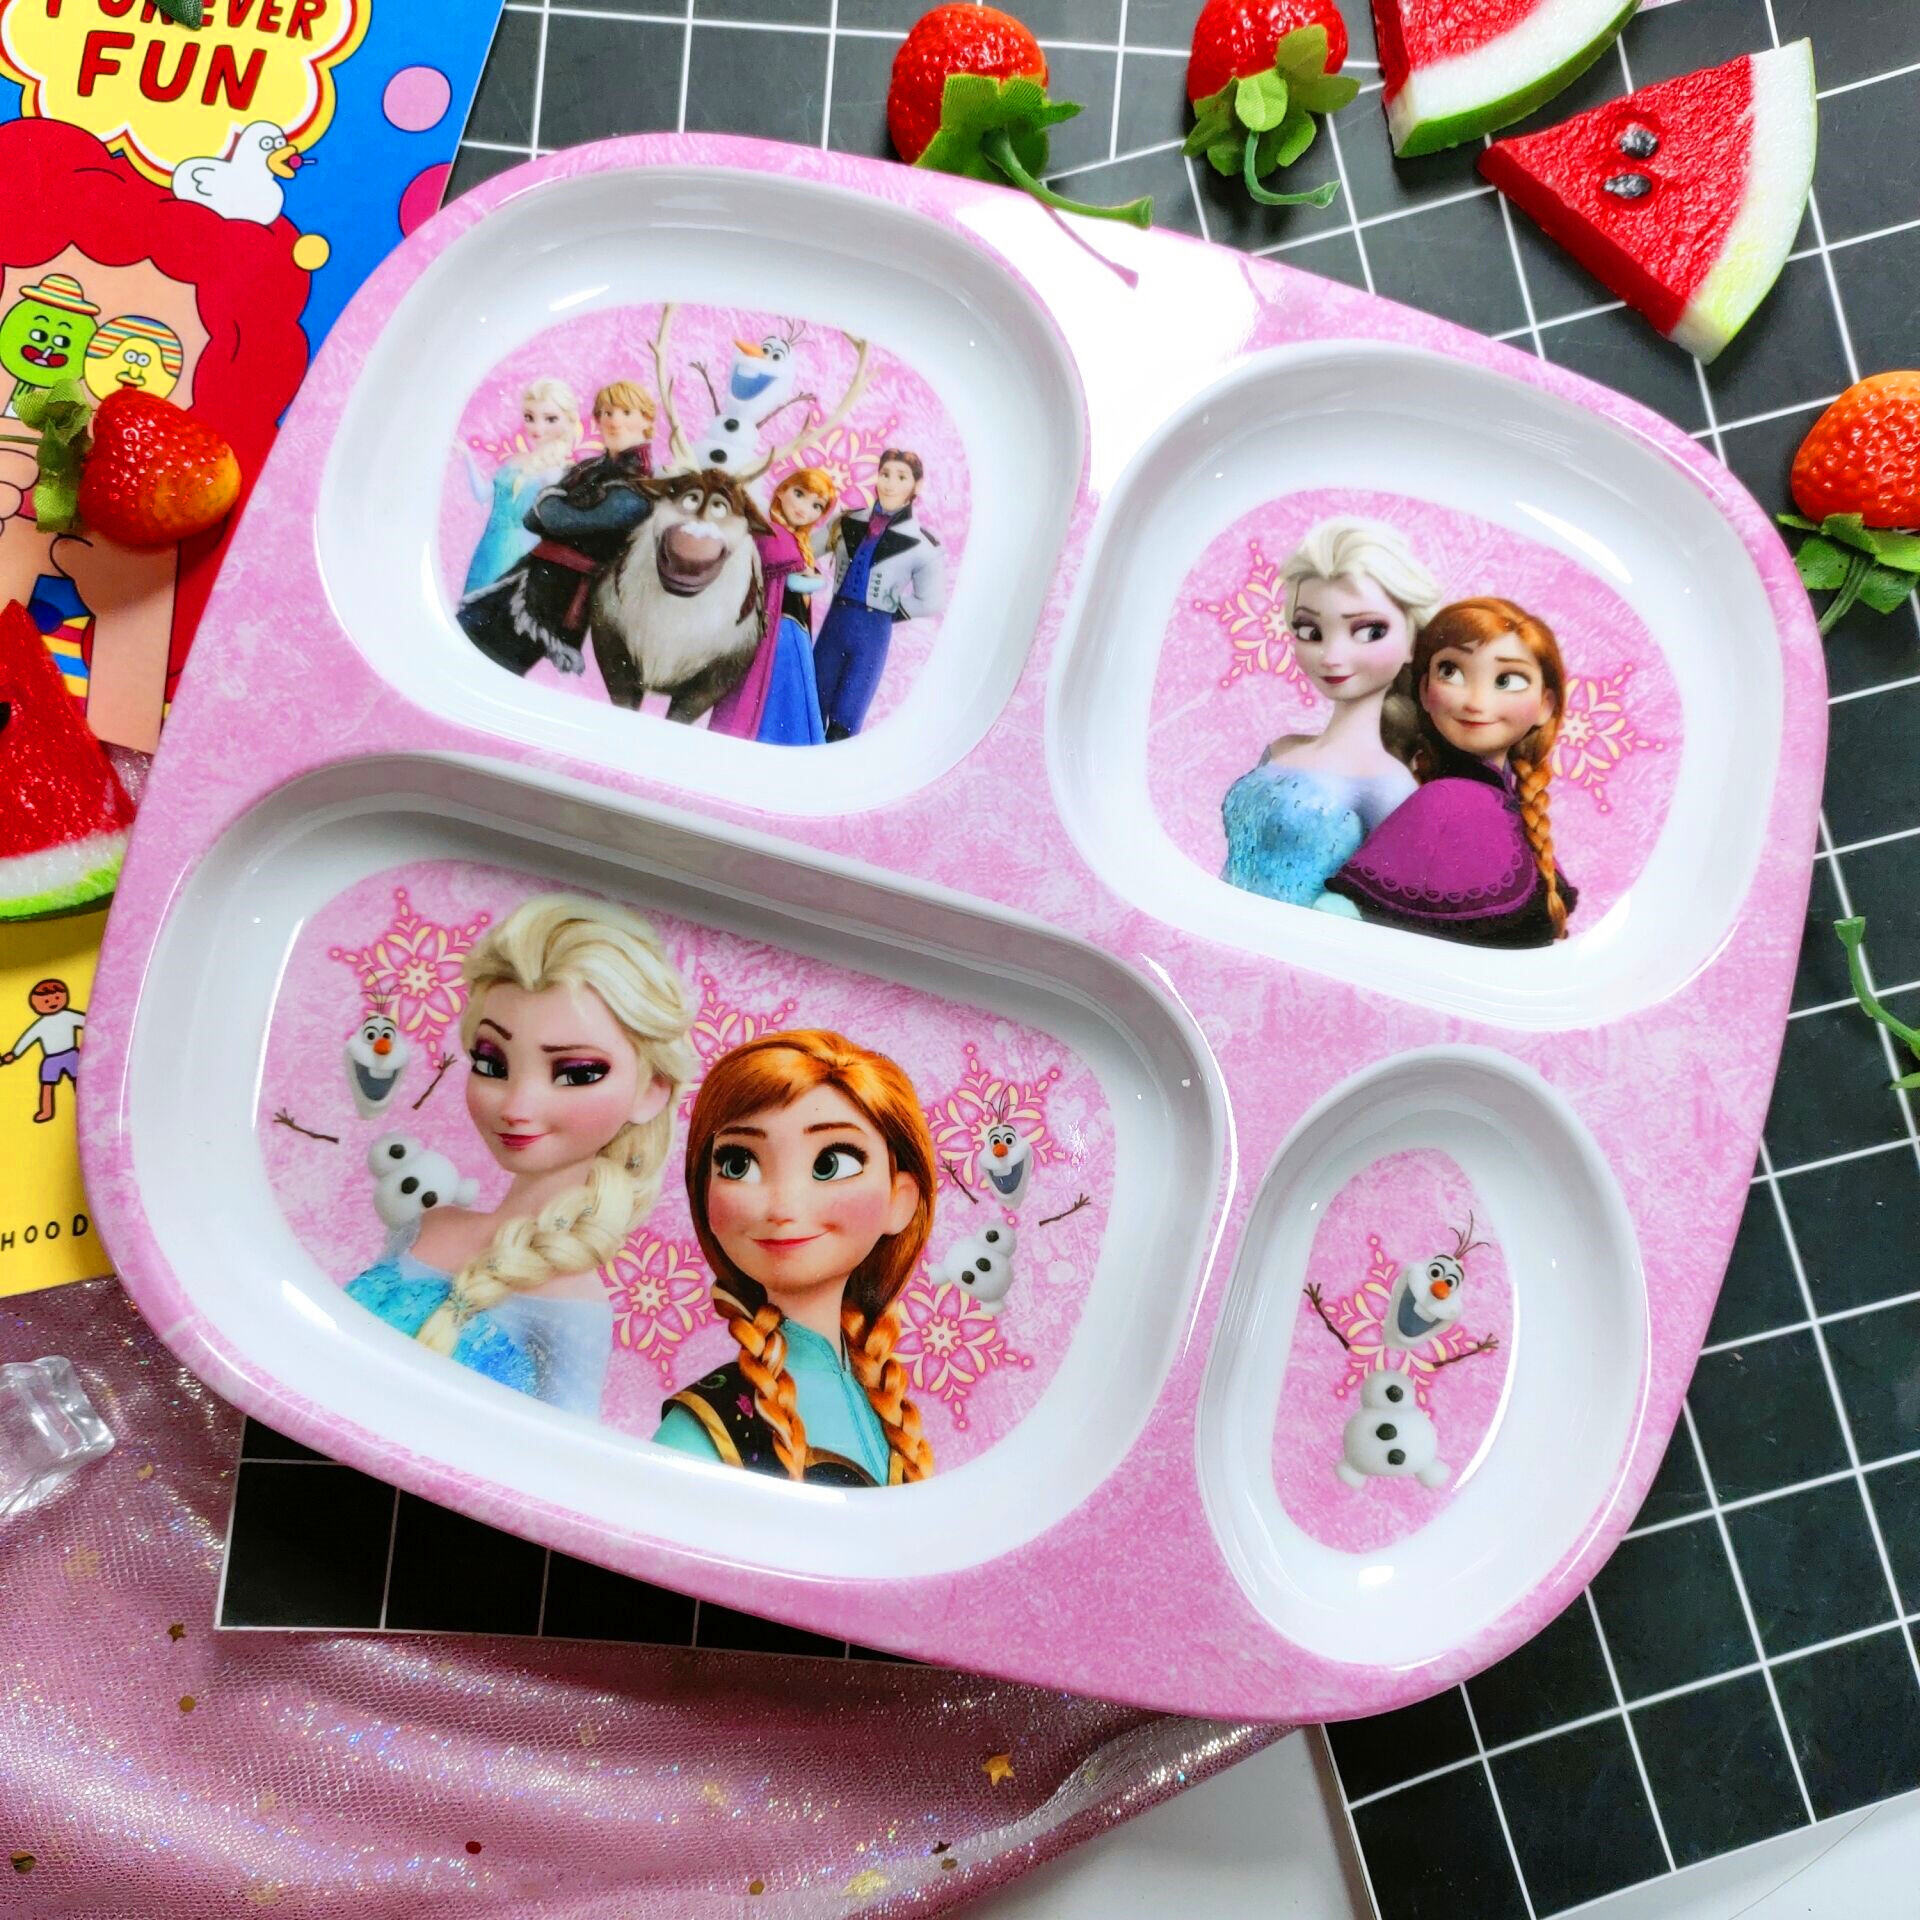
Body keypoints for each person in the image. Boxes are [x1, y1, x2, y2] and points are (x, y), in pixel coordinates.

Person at [344, 894, 697, 1415]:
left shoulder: (574, 1308)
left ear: (651, 1091)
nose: (516, 1107)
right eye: (493, 1064)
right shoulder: (424, 1226)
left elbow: (560, 1455)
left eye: (576, 1073)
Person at [655, 1030, 937, 1485]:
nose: (782, 1208)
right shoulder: (705, 1426)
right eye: (738, 1164)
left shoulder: (885, 1405)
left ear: (899, 1199)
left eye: (831, 1163)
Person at [1324, 597, 1577, 947]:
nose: (1475, 702)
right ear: (1425, 691)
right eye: (1450, 672)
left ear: (1545, 705)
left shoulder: (1513, 810)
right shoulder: (1441, 800)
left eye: (1507, 680)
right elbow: (1338, 914)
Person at [1219, 519, 1441, 909]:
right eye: (1310, 631)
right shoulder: (1280, 750)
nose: (1332, 656)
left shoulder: (1389, 787)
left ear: (1412, 642)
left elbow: (1389, 909)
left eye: (1370, 631)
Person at [456, 380, 659, 679]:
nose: (614, 421)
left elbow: (560, 520)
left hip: (559, 597)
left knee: (495, 662)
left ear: (646, 420)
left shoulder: (639, 486)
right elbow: (533, 519)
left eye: (626, 412)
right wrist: (555, 508)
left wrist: (555, 505)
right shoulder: (589, 468)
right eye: (606, 412)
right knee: (465, 635)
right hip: (526, 575)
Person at [812, 449, 944, 741]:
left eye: (901, 477)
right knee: (812, 702)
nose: (890, 484)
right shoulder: (846, 521)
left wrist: (888, 609)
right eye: (885, 474)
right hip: (835, 623)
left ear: (917, 485)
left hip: (873, 633)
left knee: (847, 715)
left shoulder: (923, 545)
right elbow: (807, 550)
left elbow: (932, 601)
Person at [705, 466, 834, 746]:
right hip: (776, 630)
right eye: (799, 494)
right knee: (772, 692)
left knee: (787, 694)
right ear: (782, 491)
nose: (804, 508)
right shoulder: (772, 532)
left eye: (816, 506)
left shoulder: (794, 538)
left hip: (790, 631)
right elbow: (793, 581)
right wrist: (815, 578)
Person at [461, 378, 583, 595]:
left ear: (568, 421)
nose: (537, 427)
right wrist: (467, 458)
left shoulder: (556, 471)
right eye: (529, 417)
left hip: (520, 548)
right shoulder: (514, 461)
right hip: (489, 545)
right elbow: (482, 495)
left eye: (550, 419)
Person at [2, 977, 82, 1124]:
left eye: (56, 997)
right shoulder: (40, 1025)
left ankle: (84, 1106)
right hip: (51, 1059)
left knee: (80, 1080)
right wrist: (14, 1054)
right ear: (35, 1004)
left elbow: (88, 1021)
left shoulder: (68, 1016)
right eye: (46, 1001)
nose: (52, 1002)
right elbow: (27, 1039)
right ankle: (46, 1110)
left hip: (71, 1054)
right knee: (47, 1084)